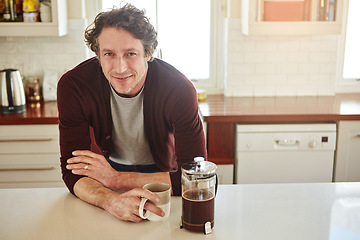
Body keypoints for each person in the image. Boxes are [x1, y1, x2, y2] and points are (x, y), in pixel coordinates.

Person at [57, 3, 206, 223]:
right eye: (109, 54)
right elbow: (73, 171)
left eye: (130, 54)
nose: (119, 68)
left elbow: (194, 177)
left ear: (147, 53)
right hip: (104, 177)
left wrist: (117, 179)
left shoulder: (178, 89)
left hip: (163, 177)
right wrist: (110, 200)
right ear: (97, 54)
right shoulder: (73, 86)